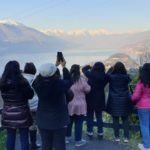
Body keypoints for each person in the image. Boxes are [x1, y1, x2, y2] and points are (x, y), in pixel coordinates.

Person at [32, 62, 70, 150]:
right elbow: (69, 80)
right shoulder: (61, 84)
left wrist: (45, 71)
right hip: (59, 120)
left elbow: (36, 78)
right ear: (54, 72)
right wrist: (63, 67)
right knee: (60, 145)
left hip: (43, 119)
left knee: (45, 145)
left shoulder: (37, 85)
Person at [0, 60, 34, 150]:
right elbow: (30, 95)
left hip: (8, 114)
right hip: (22, 114)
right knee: (24, 138)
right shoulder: (23, 82)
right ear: (18, 70)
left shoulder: (2, 83)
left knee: (10, 137)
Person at [106, 62, 132, 143]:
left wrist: (110, 69)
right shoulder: (126, 77)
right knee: (125, 120)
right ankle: (126, 138)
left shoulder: (111, 77)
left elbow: (106, 76)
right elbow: (129, 80)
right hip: (124, 100)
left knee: (115, 119)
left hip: (114, 101)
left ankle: (117, 137)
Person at [82, 62, 108, 139]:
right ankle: (100, 133)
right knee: (99, 117)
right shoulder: (105, 76)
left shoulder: (90, 74)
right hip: (100, 99)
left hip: (90, 98)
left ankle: (90, 133)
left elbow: (83, 69)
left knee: (89, 116)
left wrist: (89, 66)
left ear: (94, 68)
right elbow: (110, 74)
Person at [66, 64, 91, 147]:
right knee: (79, 123)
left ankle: (67, 137)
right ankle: (78, 141)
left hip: (70, 104)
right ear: (78, 71)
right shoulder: (81, 80)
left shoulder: (68, 80)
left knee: (69, 122)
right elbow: (87, 90)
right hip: (80, 105)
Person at [132, 63, 150, 150]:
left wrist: (131, 99)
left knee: (144, 125)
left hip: (143, 107)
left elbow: (136, 96)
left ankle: (147, 146)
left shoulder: (141, 82)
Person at [23, 62, 40, 149]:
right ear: (34, 69)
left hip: (24, 105)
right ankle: (33, 144)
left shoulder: (21, 79)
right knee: (33, 126)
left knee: (24, 126)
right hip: (35, 105)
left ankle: (25, 144)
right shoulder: (36, 79)